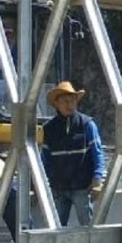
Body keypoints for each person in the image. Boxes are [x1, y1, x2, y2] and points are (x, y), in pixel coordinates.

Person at [41, 81, 105, 226]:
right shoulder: (48, 129)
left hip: (82, 188)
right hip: (58, 188)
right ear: (56, 104)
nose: (69, 105)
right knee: (56, 228)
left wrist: (97, 180)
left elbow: (98, 154)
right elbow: (44, 161)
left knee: (88, 228)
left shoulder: (87, 124)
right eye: (65, 101)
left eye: (72, 100)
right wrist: (40, 186)